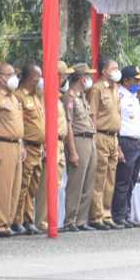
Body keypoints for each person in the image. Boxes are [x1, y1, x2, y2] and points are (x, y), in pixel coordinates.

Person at [0, 63, 24, 238]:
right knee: (1, 187)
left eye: (14, 74)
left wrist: (21, 144)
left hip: (16, 145)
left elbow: (18, 125)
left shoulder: (14, 98)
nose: (13, 77)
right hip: (2, 144)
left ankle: (7, 222)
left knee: (14, 187)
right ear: (0, 77)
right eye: (10, 74)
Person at [34, 61, 71, 233]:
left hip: (60, 143)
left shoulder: (56, 93)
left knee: (54, 184)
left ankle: (51, 218)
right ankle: (43, 220)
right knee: (47, 184)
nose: (65, 79)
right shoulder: (44, 92)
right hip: (51, 141)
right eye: (63, 75)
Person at [89, 59, 123, 230]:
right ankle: (96, 215)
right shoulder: (97, 88)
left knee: (111, 178)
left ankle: (107, 213)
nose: (117, 71)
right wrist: (93, 139)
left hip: (113, 137)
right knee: (99, 178)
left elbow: (117, 115)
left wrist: (117, 144)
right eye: (113, 68)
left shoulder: (116, 88)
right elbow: (93, 115)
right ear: (104, 71)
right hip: (101, 136)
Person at [62, 65, 97, 232]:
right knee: (76, 182)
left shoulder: (82, 96)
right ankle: (70, 220)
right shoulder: (69, 97)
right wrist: (73, 150)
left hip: (90, 138)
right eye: (87, 76)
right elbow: (68, 124)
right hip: (78, 139)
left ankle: (81, 220)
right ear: (81, 78)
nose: (88, 79)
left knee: (88, 181)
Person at [112, 65, 140, 229]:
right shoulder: (119, 97)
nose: (139, 83)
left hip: (136, 142)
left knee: (132, 181)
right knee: (123, 181)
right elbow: (117, 122)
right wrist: (117, 145)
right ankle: (119, 215)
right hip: (125, 142)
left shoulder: (133, 97)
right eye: (136, 80)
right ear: (126, 81)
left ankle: (126, 213)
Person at [12, 63, 45, 236]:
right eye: (37, 77)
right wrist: (22, 145)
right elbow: (18, 124)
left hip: (38, 148)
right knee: (22, 185)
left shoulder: (35, 97)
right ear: (29, 78)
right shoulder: (18, 96)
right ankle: (16, 220)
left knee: (32, 187)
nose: (40, 81)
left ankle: (28, 219)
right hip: (27, 147)